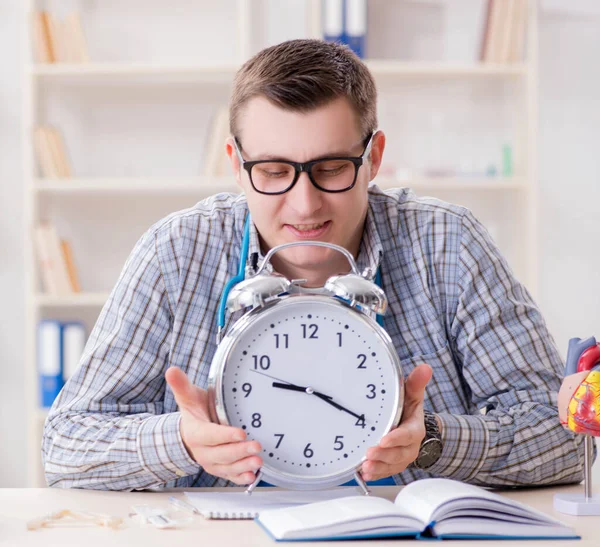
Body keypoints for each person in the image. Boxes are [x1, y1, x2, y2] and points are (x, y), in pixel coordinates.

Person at [42, 39, 585, 491]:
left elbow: (567, 437)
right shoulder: (175, 253)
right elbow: (64, 445)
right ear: (235, 164)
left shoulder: (446, 243)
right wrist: (180, 441)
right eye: (274, 171)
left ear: (373, 157)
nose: (304, 205)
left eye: (330, 168)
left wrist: (433, 441)